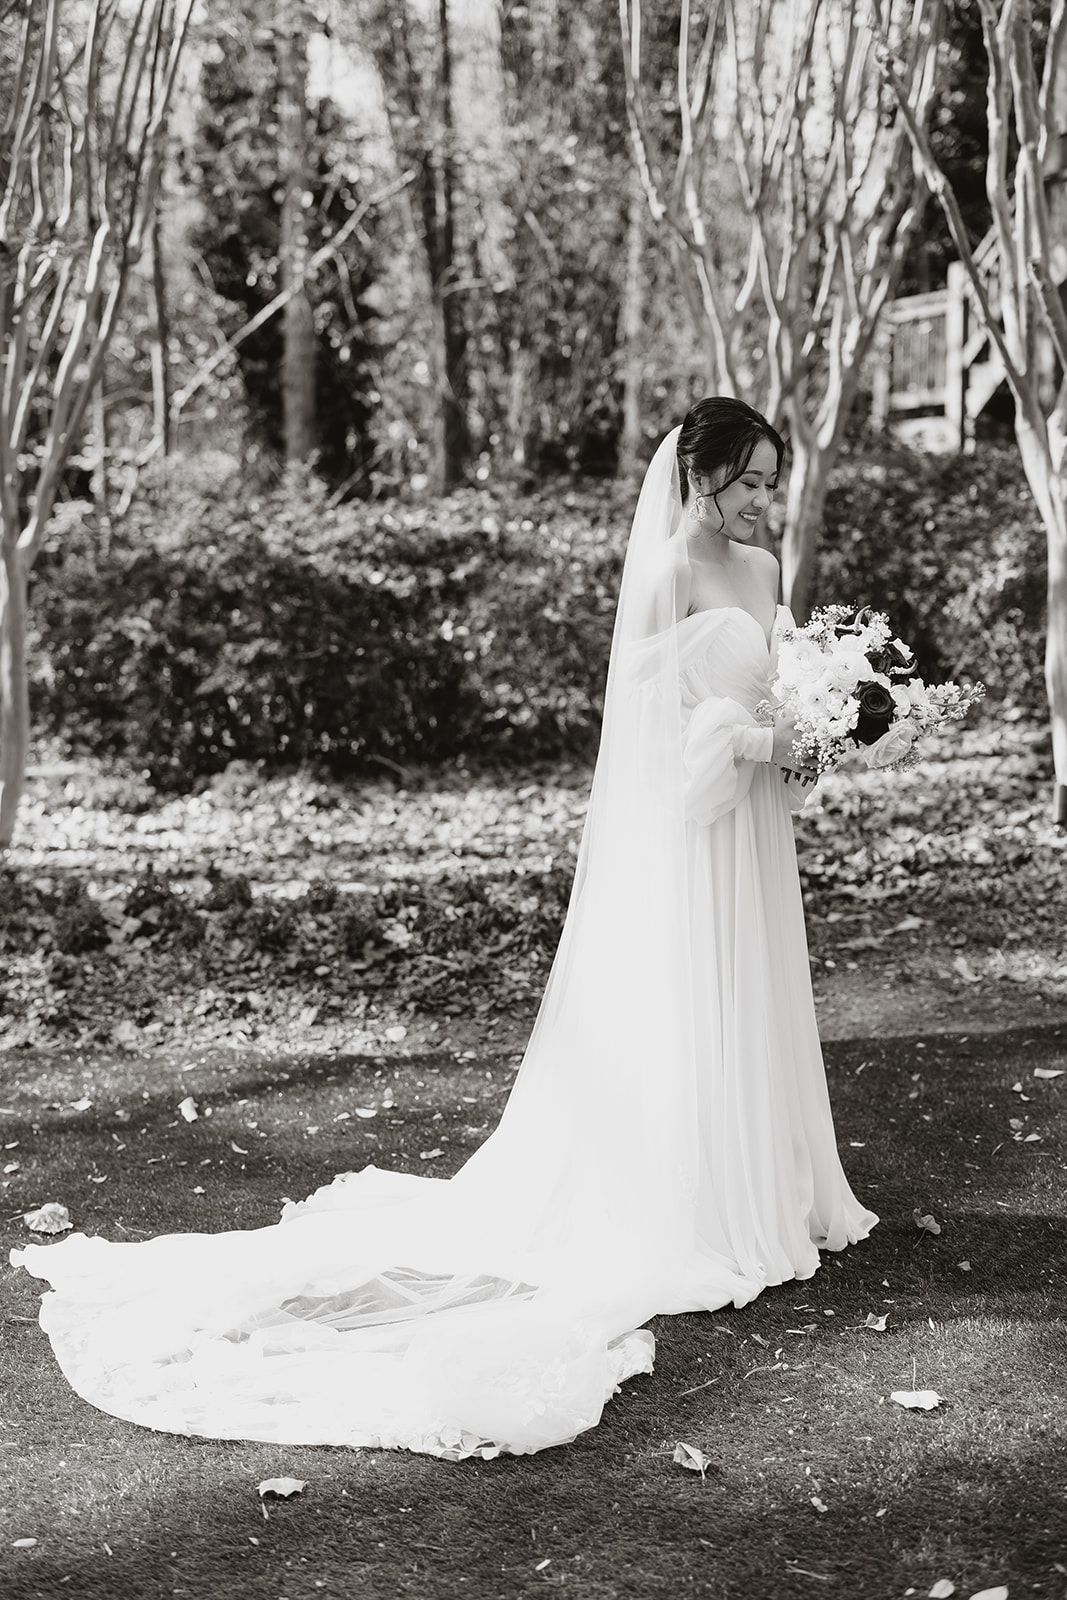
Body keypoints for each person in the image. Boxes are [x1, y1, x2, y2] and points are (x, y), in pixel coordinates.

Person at [9, 398, 878, 1462]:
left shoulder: (763, 570)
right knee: (691, 1002)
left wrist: (820, 729)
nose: (760, 500)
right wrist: (752, 738)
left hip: (748, 834)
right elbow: (651, 747)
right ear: (696, 478)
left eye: (769, 480)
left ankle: (767, 1187)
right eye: (745, 480)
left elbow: (776, 693)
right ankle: (692, 1197)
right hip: (693, 836)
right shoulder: (665, 576)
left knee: (751, 996)